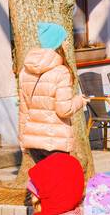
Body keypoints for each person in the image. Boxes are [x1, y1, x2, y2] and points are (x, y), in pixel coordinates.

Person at [17, 21, 87, 158]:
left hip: (34, 142)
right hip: (56, 142)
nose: (66, 43)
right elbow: (64, 110)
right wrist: (80, 101)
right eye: (64, 40)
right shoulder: (61, 72)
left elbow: (23, 111)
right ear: (58, 43)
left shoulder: (25, 72)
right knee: (59, 180)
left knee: (43, 180)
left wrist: (22, 141)